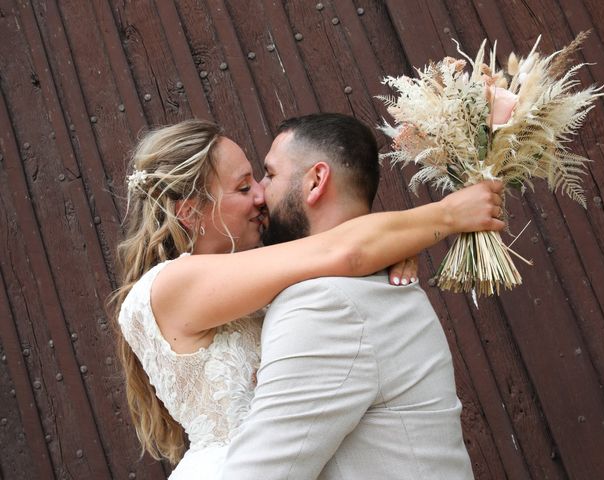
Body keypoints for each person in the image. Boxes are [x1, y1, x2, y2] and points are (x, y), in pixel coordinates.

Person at [112, 118, 504, 479]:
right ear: (192, 212)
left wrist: (393, 246)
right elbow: (337, 252)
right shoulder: (172, 285)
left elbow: (334, 255)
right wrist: (447, 216)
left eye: (261, 180)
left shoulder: (267, 283)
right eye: (244, 187)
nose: (261, 197)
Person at [219, 113, 482, 479]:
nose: (260, 193)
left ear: (316, 181)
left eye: (270, 174)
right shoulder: (368, 287)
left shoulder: (326, 304)